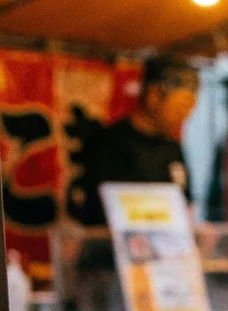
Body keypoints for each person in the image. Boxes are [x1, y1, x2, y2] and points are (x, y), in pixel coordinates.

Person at [67, 57, 198, 226]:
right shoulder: (110, 142)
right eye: (180, 107)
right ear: (153, 96)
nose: (185, 116)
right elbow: (99, 211)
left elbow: (185, 203)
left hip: (167, 250)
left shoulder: (173, 147)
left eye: (189, 109)